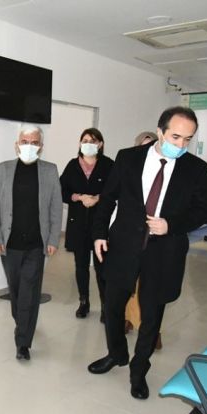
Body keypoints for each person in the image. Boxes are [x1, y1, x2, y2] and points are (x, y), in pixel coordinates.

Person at [87, 106, 207, 400]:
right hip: (123, 246)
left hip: (164, 252)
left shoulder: (195, 168)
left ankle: (139, 370)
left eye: (188, 139)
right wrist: (99, 233)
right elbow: (108, 198)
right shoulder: (128, 158)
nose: (181, 145)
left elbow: (203, 210)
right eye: (175, 137)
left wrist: (171, 225)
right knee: (112, 306)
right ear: (160, 132)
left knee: (151, 315)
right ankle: (116, 354)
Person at [0, 124, 62, 361]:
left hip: (36, 244)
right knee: (16, 291)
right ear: (17, 145)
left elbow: (55, 207)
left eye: (34, 142)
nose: (29, 146)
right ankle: (22, 321)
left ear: (41, 146)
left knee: (29, 292)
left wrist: (53, 239)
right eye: (25, 142)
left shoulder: (50, 171)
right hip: (9, 244)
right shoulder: (2, 170)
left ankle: (23, 342)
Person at [59, 128, 114, 320]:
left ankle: (106, 306)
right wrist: (79, 197)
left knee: (102, 267)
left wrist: (98, 198)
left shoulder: (108, 165)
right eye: (85, 140)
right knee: (81, 266)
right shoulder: (72, 165)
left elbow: (115, 190)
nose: (88, 144)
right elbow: (61, 190)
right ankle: (84, 302)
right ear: (80, 143)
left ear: (100, 144)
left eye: (93, 140)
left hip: (101, 223)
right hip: (78, 223)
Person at [124, 131, 163, 352]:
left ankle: (152, 330)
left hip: (156, 238)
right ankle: (129, 319)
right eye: (143, 145)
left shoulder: (165, 172)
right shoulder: (130, 168)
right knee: (130, 285)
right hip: (132, 236)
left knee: (151, 289)